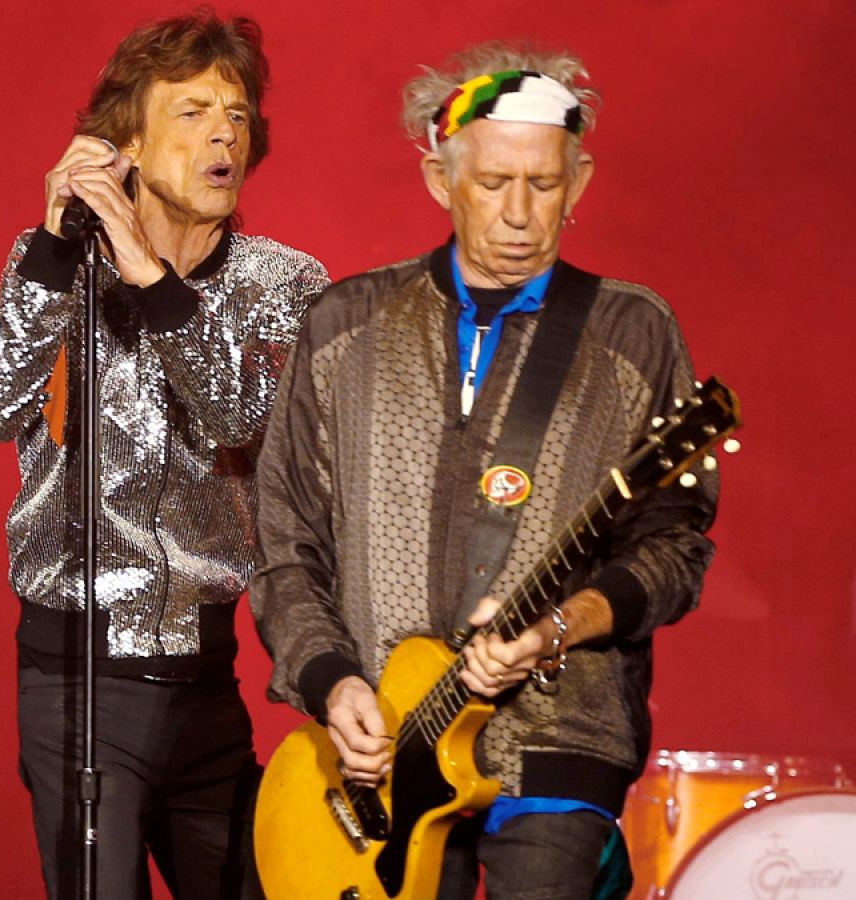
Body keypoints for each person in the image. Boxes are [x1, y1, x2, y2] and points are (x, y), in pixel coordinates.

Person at [251, 43, 718, 899]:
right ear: (440, 180)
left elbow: (674, 548)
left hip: (558, 733)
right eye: (494, 183)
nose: (518, 213)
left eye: (543, 185)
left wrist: (560, 626)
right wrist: (331, 679)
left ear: (577, 183)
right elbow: (285, 541)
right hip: (380, 755)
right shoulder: (346, 326)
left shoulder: (632, 333)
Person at [0, 11, 328, 899]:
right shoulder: (55, 263)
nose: (223, 135)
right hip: (76, 679)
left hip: (206, 677)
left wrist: (153, 282)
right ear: (124, 141)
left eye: (236, 116)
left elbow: (239, 419)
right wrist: (53, 249)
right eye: (194, 112)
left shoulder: (286, 282)